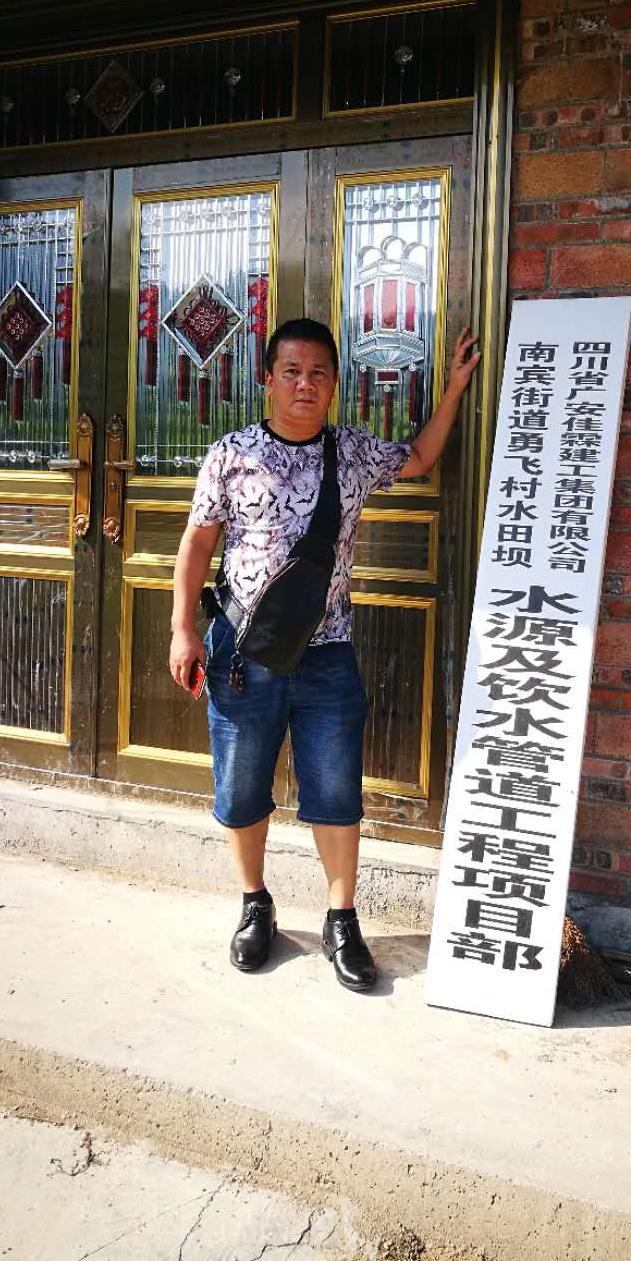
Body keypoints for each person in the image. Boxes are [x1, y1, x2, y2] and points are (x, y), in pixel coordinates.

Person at [169, 317, 479, 991]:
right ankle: (255, 904)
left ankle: (342, 919)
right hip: (242, 652)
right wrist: (181, 629)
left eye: (317, 374)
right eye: (291, 372)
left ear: (334, 384)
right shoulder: (232, 454)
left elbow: (419, 458)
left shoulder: (354, 452)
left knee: (336, 789)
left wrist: (455, 387)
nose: (304, 384)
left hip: (327, 651)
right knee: (241, 786)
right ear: (267, 380)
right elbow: (197, 543)